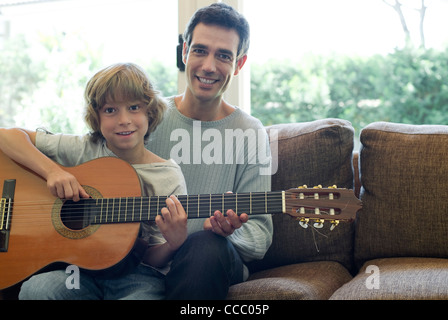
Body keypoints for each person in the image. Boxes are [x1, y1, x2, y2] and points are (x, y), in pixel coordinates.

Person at [0, 62, 189, 299]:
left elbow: (151, 256)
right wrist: (52, 172)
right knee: (37, 290)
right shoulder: (85, 148)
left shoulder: (167, 175)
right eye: (110, 110)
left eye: (133, 107)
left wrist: (173, 243)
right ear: (96, 116)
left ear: (149, 112)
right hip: (77, 271)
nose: (124, 120)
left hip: (138, 275)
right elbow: (6, 136)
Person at [146, 3, 274, 299]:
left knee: (204, 244)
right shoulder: (147, 119)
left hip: (212, 260)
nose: (209, 66)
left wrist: (229, 231)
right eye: (200, 50)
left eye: (224, 56)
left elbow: (261, 234)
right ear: (184, 52)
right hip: (150, 261)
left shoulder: (249, 132)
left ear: (239, 64)